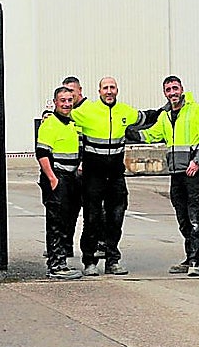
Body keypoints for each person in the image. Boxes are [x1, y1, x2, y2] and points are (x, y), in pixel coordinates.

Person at [138, 76, 199, 276]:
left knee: (195, 216)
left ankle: (196, 263)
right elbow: (149, 135)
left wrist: (198, 160)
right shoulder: (165, 117)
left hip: (194, 172)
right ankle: (189, 256)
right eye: (168, 90)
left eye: (175, 88)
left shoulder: (196, 110)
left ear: (182, 89)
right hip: (176, 173)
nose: (172, 93)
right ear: (164, 93)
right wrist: (123, 130)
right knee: (182, 217)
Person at [71, 76, 147, 276]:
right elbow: (63, 115)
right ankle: (89, 261)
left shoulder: (125, 111)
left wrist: (167, 109)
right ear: (99, 91)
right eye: (105, 88)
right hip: (93, 176)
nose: (109, 91)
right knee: (92, 219)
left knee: (116, 218)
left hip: (115, 176)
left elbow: (146, 118)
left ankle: (113, 260)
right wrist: (47, 114)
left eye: (112, 87)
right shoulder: (87, 111)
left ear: (117, 90)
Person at [35, 86, 84, 279]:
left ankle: (62, 262)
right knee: (56, 223)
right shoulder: (49, 124)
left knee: (67, 223)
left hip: (72, 179)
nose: (66, 104)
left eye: (69, 100)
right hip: (57, 178)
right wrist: (53, 179)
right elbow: (42, 153)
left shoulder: (72, 124)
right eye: (62, 100)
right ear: (55, 102)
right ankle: (55, 266)